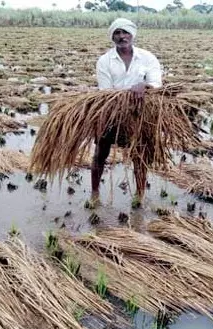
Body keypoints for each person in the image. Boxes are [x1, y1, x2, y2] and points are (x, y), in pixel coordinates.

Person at [91, 18, 163, 204]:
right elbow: (106, 91)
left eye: (125, 32)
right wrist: (126, 96)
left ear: (132, 34)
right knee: (101, 152)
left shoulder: (147, 57)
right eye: (117, 33)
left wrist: (144, 84)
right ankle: (95, 193)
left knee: (140, 155)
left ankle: (139, 195)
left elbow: (156, 84)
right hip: (111, 112)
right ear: (112, 36)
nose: (122, 36)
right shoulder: (105, 61)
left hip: (140, 113)